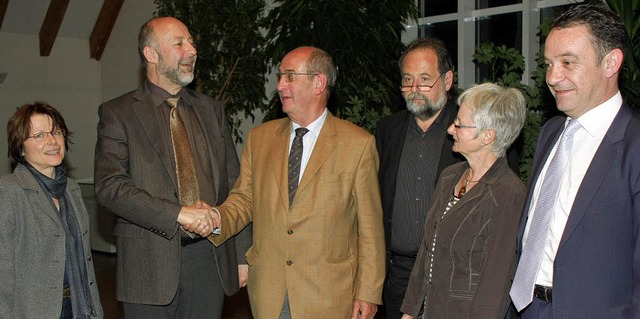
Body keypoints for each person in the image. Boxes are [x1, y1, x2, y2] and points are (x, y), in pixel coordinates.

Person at [208, 46, 385, 319]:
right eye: (280, 76)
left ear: (318, 82)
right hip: (269, 291)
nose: (279, 85)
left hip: (329, 293)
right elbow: (244, 200)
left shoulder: (358, 145)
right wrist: (214, 218)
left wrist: (368, 292)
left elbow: (370, 228)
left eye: (289, 76)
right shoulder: (260, 139)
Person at [93, 17, 251, 319]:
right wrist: (178, 213)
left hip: (210, 260)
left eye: (191, 42)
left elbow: (234, 184)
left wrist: (242, 254)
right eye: (179, 43)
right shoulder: (119, 113)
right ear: (151, 55)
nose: (191, 50)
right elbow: (109, 187)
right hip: (147, 264)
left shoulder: (211, 110)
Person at [508, 4, 640, 318]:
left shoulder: (634, 145)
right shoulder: (551, 132)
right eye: (549, 64)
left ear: (611, 63)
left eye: (568, 62)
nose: (553, 77)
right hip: (527, 307)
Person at [375, 37, 520, 319]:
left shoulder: (481, 130)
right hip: (403, 279)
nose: (414, 89)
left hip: (464, 294)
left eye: (425, 80)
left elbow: (498, 270)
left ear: (448, 79)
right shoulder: (449, 175)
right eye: (407, 80)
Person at [399, 83, 527, 318]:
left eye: (459, 124)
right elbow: (427, 251)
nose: (450, 129)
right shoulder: (450, 176)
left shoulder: (508, 194)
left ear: (488, 135)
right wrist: (409, 311)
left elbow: (496, 282)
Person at [0, 102, 104, 318]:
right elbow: (3, 271)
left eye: (56, 131)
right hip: (32, 311)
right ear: (20, 147)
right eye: (38, 135)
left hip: (79, 305)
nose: (52, 140)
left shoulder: (72, 190)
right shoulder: (9, 190)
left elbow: (85, 261)